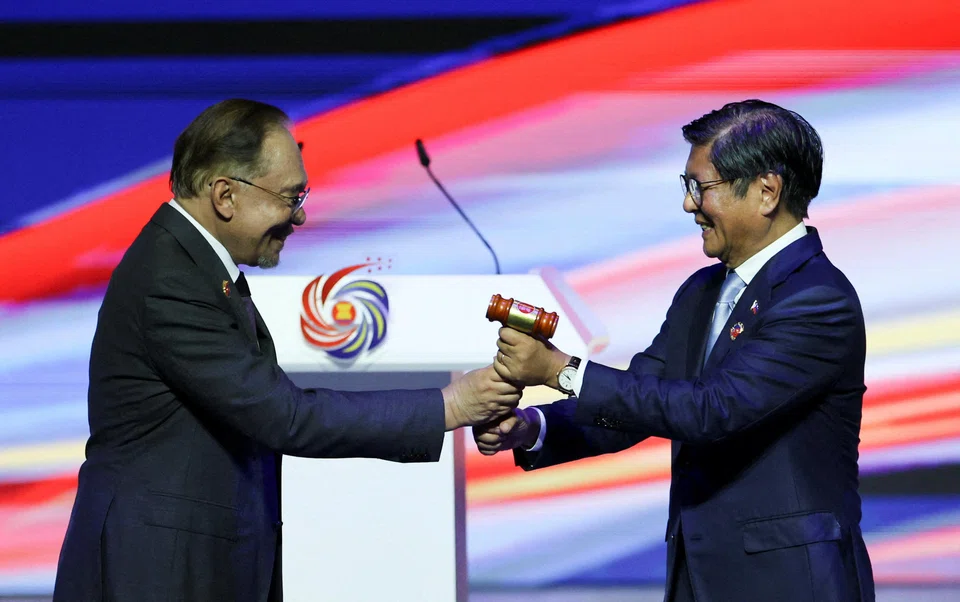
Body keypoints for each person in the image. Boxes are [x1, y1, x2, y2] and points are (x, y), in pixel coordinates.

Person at [53, 99, 521, 602]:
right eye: (290, 196)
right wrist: (449, 406)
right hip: (154, 571)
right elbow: (285, 416)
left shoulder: (195, 265)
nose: (299, 216)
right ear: (226, 195)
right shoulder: (171, 278)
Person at [475, 100, 875, 601]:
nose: (689, 205)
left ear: (766, 192)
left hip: (789, 583)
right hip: (698, 580)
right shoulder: (701, 291)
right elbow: (645, 399)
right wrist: (535, 429)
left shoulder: (816, 300)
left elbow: (713, 410)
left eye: (700, 188)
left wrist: (560, 370)